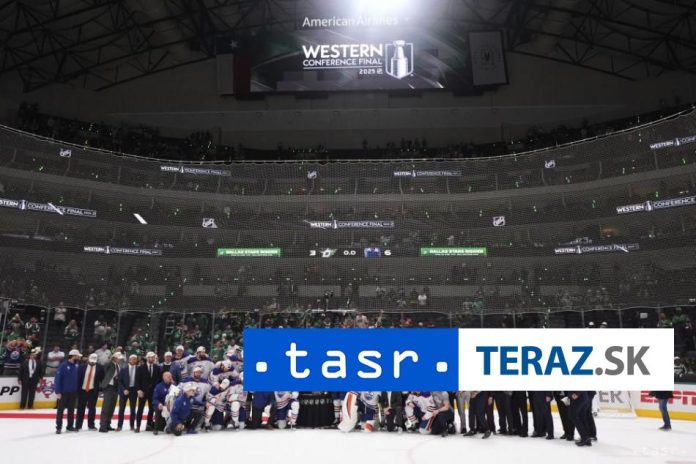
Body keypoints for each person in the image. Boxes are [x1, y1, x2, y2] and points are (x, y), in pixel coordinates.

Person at [55, 349, 81, 434]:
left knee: (71, 410)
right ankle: (58, 427)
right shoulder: (63, 365)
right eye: (77, 356)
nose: (78, 358)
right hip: (63, 392)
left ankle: (70, 426)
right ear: (73, 356)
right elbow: (58, 379)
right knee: (60, 410)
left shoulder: (76, 365)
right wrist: (58, 391)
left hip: (73, 392)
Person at [76, 353, 104, 430]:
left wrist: (101, 389)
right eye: (91, 361)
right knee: (80, 408)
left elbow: (102, 379)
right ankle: (78, 425)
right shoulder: (81, 367)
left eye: (94, 361)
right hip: (82, 390)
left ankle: (91, 425)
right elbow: (78, 379)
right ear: (88, 359)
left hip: (93, 391)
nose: (92, 362)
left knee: (92, 409)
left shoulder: (100, 368)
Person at [135, 352, 161, 432]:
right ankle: (138, 426)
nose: (151, 359)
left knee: (151, 409)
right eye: (150, 357)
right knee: (140, 409)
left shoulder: (157, 368)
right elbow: (137, 380)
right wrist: (138, 390)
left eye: (153, 357)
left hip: (153, 392)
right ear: (147, 358)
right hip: (142, 392)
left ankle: (148, 425)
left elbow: (159, 380)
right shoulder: (140, 368)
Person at [99, 352, 122, 432]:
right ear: (114, 358)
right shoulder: (109, 364)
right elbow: (104, 370)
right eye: (119, 358)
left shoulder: (118, 366)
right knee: (106, 407)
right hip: (108, 386)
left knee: (112, 407)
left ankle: (108, 424)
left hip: (115, 387)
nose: (120, 360)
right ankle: (102, 426)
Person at [117, 354, 139, 431]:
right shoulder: (123, 369)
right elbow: (119, 381)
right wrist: (124, 389)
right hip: (124, 390)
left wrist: (138, 390)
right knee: (121, 409)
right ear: (129, 360)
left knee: (133, 410)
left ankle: (132, 426)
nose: (133, 360)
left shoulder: (139, 369)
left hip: (134, 391)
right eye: (132, 359)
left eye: (135, 359)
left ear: (136, 360)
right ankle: (119, 426)